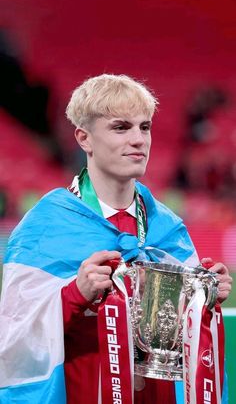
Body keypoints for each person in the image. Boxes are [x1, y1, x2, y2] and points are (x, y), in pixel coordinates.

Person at [0, 74, 232, 404]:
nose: (138, 139)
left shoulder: (165, 225)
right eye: (121, 128)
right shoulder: (47, 223)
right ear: (84, 138)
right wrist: (73, 293)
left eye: (145, 127)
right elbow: (14, 336)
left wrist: (203, 296)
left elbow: (177, 340)